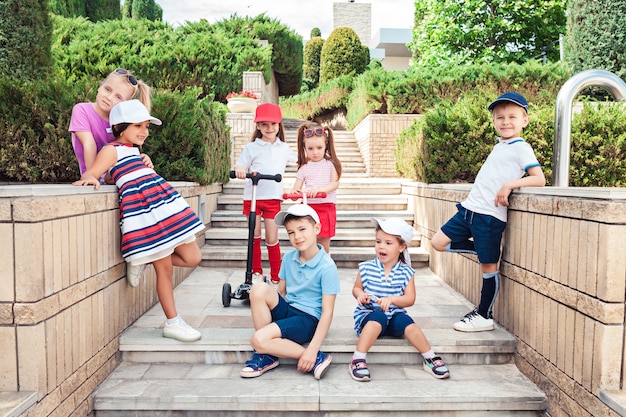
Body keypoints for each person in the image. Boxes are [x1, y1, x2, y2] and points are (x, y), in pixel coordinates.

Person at [72, 100, 205, 343]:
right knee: (164, 269)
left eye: (146, 126)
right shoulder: (111, 150)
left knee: (193, 257)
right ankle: (173, 322)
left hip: (163, 210)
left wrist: (146, 163)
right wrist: (90, 179)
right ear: (120, 127)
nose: (144, 131)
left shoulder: (136, 151)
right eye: (137, 125)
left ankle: (143, 258)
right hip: (146, 217)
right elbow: (93, 172)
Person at [431, 92, 546, 332]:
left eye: (512, 117)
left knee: (488, 269)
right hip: (469, 210)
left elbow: (539, 179)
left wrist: (510, 185)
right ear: (493, 121)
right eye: (500, 117)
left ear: (524, 120)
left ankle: (483, 314)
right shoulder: (501, 145)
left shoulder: (521, 148)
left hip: (489, 217)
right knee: (438, 242)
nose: (505, 121)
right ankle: (488, 253)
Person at [239, 203, 340, 379]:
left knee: (258, 340)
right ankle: (267, 353)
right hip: (290, 310)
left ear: (316, 228)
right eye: (291, 232)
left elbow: (327, 312)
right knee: (258, 288)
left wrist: (312, 347)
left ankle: (314, 356)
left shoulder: (327, 267)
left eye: (302, 229)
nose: (297, 236)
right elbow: (280, 294)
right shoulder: (289, 258)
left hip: (307, 320)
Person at [350, 217, 450, 381]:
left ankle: (430, 358)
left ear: (402, 247)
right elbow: (356, 288)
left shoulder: (406, 272)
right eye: (378, 241)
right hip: (369, 317)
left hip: (394, 318)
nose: (381, 246)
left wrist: (393, 299)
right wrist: (360, 295)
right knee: (379, 316)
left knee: (407, 322)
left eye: (388, 243)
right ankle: (357, 359)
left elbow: (410, 299)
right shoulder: (366, 267)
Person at [234, 103, 298, 284]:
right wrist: (240, 170)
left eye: (273, 124)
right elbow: (241, 164)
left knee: (272, 238)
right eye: (264, 124)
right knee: (254, 236)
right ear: (258, 126)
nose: (269, 128)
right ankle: (256, 273)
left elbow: (300, 160)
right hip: (253, 198)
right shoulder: (251, 148)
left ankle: (276, 276)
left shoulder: (283, 148)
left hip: (273, 198)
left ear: (279, 125)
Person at [69, 67, 153, 182]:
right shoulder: (82, 110)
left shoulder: (123, 121)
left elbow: (127, 148)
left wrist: (141, 159)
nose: (109, 97)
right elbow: (89, 144)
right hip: (95, 175)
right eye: (107, 89)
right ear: (100, 86)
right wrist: (92, 176)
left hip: (117, 176)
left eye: (118, 97)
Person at [291, 124, 342, 254]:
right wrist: (294, 193)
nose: (315, 152)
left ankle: (324, 270)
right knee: (306, 243)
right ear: (304, 148)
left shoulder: (330, 164)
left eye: (319, 148)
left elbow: (334, 184)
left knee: (324, 245)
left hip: (326, 207)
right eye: (310, 148)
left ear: (326, 146)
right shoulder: (303, 167)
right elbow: (296, 189)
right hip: (307, 209)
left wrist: (320, 190)